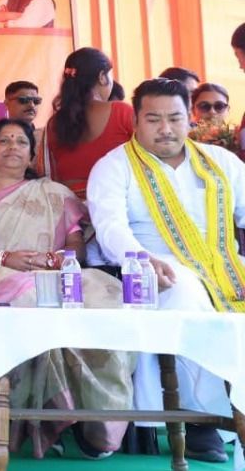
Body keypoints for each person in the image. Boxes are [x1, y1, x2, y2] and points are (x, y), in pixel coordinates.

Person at [0, 119, 133, 459]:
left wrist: (56, 261)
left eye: (21, 142)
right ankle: (49, 416)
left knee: (106, 298)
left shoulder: (54, 194)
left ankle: (96, 420)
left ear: (32, 156)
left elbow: (75, 248)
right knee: (35, 298)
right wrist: (5, 257)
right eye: (4, 141)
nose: (12, 147)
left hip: (55, 274)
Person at [87, 78, 239, 464]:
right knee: (185, 292)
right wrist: (140, 258)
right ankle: (201, 419)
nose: (166, 128)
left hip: (226, 266)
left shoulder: (222, 163)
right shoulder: (114, 166)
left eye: (174, 118)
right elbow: (110, 227)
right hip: (153, 268)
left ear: (189, 118)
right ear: (136, 121)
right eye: (153, 119)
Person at [37, 48, 131, 199]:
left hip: (69, 208)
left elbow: (48, 175)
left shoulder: (54, 124)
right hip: (117, 204)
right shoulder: (122, 112)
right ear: (102, 77)